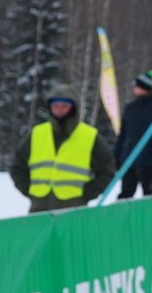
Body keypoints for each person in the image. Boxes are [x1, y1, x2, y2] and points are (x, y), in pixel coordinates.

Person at [10, 85, 115, 213]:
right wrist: (28, 190)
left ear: (74, 107)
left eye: (64, 106)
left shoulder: (90, 136)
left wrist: (88, 194)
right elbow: (17, 166)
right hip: (39, 209)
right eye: (55, 106)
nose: (59, 110)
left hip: (74, 208)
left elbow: (107, 170)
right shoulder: (37, 133)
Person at [113, 71, 152, 198]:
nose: (134, 89)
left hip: (148, 162)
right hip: (129, 159)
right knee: (126, 194)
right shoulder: (130, 108)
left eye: (137, 86)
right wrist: (117, 156)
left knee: (150, 196)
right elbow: (123, 134)